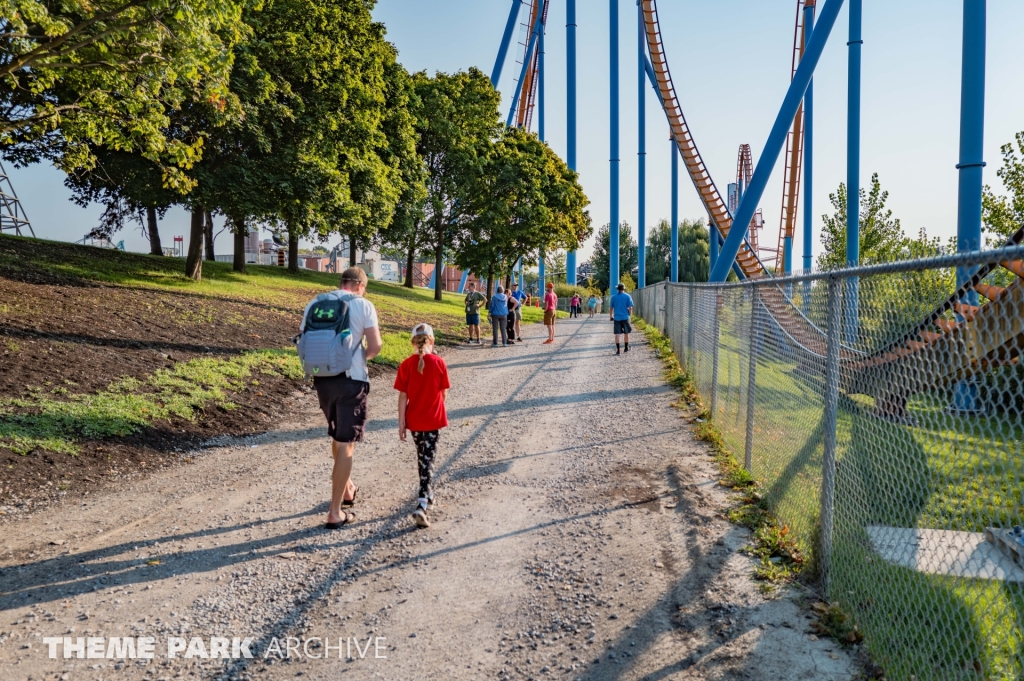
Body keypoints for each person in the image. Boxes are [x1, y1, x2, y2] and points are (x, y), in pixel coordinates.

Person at [304, 267, 382, 529]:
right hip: (351, 380)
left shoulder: (316, 302)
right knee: (347, 443)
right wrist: (362, 357)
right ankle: (335, 512)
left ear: (342, 282)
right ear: (360, 284)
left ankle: (347, 488)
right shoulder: (363, 304)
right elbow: (375, 346)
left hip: (321, 377)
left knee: (337, 435)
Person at [394, 323, 450, 528]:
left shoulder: (406, 365)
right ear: (432, 341)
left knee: (423, 458)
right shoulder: (439, 363)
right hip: (433, 419)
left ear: (413, 342)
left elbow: (403, 397)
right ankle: (422, 503)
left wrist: (401, 422)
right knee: (429, 459)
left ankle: (429, 493)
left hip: (414, 420)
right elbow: (444, 393)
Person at [609, 283, 635, 355]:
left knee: (617, 334)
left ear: (617, 289)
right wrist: (630, 315)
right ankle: (626, 348)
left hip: (617, 318)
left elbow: (611, 308)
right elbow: (630, 308)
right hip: (625, 317)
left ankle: (618, 350)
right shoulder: (627, 296)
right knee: (626, 333)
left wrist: (611, 316)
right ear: (623, 289)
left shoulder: (613, 297)